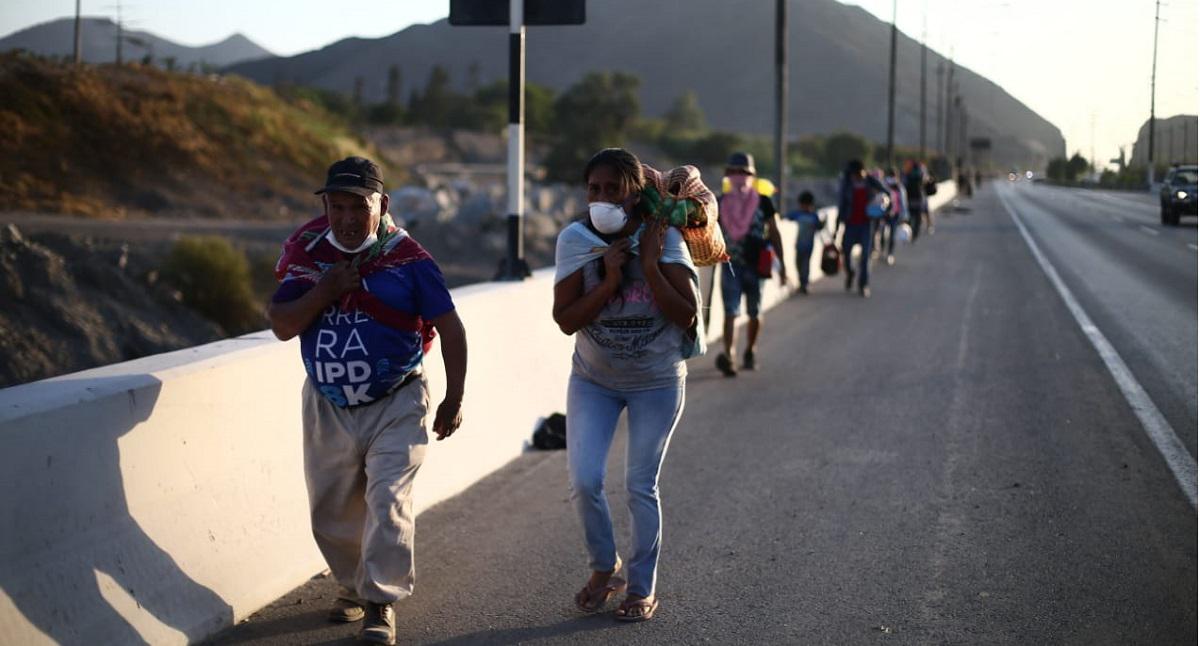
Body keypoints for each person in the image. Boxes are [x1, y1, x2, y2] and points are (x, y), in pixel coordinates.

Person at [267, 156, 468, 646]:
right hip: (328, 403)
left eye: (359, 206)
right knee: (331, 510)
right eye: (337, 206)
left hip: (396, 398)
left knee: (387, 498)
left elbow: (452, 329)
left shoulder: (411, 260)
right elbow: (282, 324)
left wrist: (453, 397)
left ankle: (380, 602)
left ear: (382, 205)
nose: (348, 218)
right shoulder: (306, 253)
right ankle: (352, 586)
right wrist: (326, 288)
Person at [552, 148, 702, 623]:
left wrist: (651, 265)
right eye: (593, 188)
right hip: (594, 379)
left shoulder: (664, 238)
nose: (600, 197)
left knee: (640, 484)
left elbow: (688, 314)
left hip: (656, 381)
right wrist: (610, 278)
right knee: (584, 480)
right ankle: (604, 568)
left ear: (634, 195)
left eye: (611, 189)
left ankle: (641, 586)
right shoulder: (575, 240)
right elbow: (565, 319)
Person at [715, 152, 787, 376]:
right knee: (731, 312)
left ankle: (750, 350)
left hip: (757, 265)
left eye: (744, 173)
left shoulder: (763, 202)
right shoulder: (719, 203)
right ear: (728, 174)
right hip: (730, 264)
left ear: (752, 176)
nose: (739, 177)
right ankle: (729, 356)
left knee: (754, 312)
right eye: (735, 172)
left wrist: (782, 263)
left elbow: (774, 231)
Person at [834, 159, 887, 298]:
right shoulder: (846, 184)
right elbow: (841, 205)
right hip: (850, 224)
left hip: (866, 224)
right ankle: (850, 273)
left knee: (865, 257)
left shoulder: (871, 182)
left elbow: (886, 194)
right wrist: (837, 226)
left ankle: (863, 285)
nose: (855, 177)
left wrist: (882, 206)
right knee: (846, 253)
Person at [784, 190, 825, 294]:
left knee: (805, 265)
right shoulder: (796, 214)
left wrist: (824, 222)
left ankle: (804, 284)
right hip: (798, 245)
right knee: (798, 264)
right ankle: (801, 282)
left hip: (809, 246)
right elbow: (785, 220)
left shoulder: (814, 216)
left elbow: (819, 227)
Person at [880, 167, 909, 266]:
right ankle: (882, 250)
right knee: (882, 234)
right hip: (884, 215)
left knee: (892, 235)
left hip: (895, 215)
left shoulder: (900, 188)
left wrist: (904, 216)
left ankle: (890, 254)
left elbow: (903, 203)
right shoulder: (884, 186)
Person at [903, 159, 930, 241]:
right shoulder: (920, 174)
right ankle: (915, 234)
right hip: (918, 198)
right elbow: (925, 182)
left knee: (910, 217)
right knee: (918, 217)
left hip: (910, 198)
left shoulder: (908, 174)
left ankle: (910, 233)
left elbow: (904, 184)